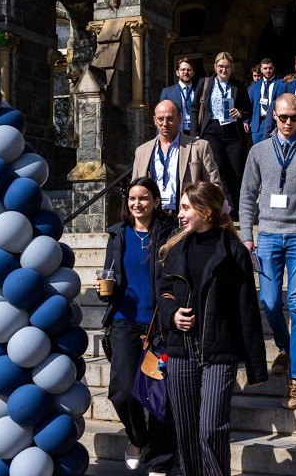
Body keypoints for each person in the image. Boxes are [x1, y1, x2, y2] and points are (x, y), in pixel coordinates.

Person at [157, 181, 268, 476]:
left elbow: (247, 308)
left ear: (205, 211)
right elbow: (163, 292)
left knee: (211, 429)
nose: (179, 214)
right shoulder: (175, 247)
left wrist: (256, 366)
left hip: (219, 351)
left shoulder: (234, 252)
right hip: (181, 350)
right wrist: (172, 316)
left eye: (185, 208)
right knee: (187, 431)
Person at [238, 93, 296, 410]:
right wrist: (246, 235)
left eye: (294, 117)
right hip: (267, 236)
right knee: (269, 300)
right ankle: (284, 344)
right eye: (282, 117)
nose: (288, 122)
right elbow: (248, 194)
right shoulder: (259, 151)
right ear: (273, 116)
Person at [99, 177, 178, 476]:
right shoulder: (118, 235)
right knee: (121, 392)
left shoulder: (169, 233)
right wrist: (104, 288)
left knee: (159, 398)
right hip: (124, 322)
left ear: (156, 201)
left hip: (159, 324)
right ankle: (137, 439)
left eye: (143, 198)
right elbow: (110, 274)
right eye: (132, 199)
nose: (137, 204)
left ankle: (160, 462)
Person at [132, 100, 222, 214]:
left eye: (170, 119)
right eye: (160, 119)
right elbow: (134, 189)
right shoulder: (142, 151)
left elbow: (214, 186)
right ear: (154, 120)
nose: (165, 123)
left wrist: (201, 210)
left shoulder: (199, 147)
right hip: (152, 217)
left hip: (185, 217)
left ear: (179, 118)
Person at [194, 52, 251, 205]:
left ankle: (238, 205)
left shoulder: (238, 85)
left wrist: (240, 113)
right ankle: (225, 206)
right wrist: (196, 133)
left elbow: (248, 108)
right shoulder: (204, 83)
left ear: (232, 68)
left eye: (227, 67)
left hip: (233, 131)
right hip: (211, 129)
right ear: (215, 67)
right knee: (218, 168)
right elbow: (194, 108)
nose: (223, 70)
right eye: (220, 67)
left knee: (236, 169)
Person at [246, 57, 285, 145]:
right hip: (258, 123)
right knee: (258, 149)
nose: (268, 71)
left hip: (275, 122)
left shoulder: (281, 84)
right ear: (261, 69)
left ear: (274, 68)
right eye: (265, 68)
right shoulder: (254, 86)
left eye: (270, 68)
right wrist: (246, 121)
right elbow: (248, 105)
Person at [159, 58, 198, 135]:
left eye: (189, 70)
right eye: (183, 70)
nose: (186, 72)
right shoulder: (168, 92)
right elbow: (161, 115)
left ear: (193, 73)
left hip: (195, 134)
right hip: (176, 133)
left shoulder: (199, 91)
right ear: (177, 72)